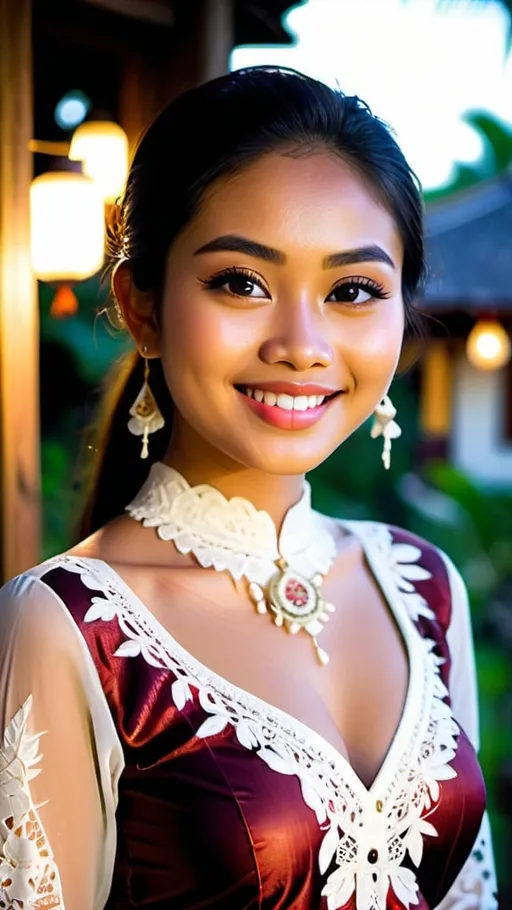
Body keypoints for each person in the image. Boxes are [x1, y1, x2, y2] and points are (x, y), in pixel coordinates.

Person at [0, 66, 498, 910]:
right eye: (241, 282)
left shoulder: (425, 589)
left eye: (352, 291)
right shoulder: (64, 625)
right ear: (142, 307)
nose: (301, 344)